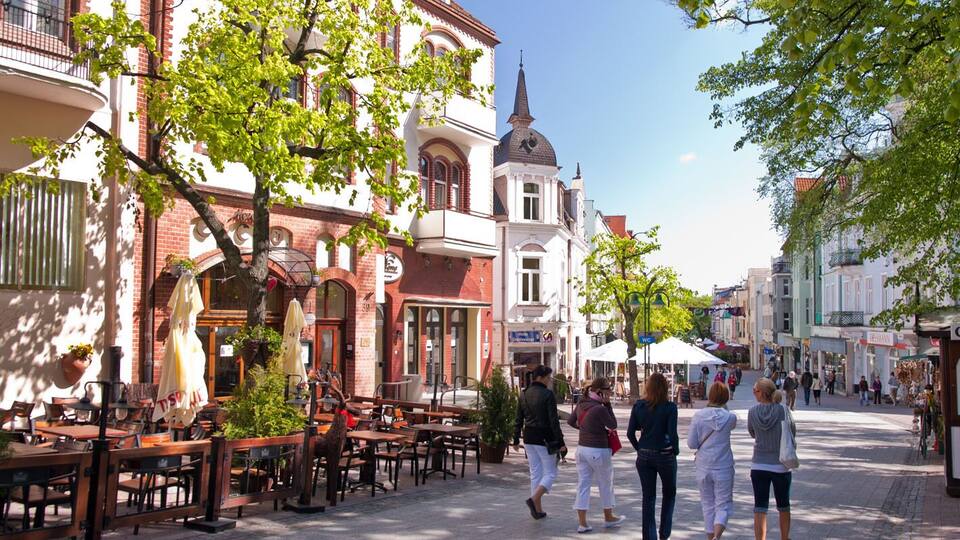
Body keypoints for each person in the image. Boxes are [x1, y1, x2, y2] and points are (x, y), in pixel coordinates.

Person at [568, 378, 624, 533]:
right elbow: (613, 424)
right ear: (600, 391)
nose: (610, 393)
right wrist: (608, 406)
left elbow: (571, 421)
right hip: (598, 450)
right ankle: (608, 517)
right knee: (606, 484)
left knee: (583, 485)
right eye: (608, 390)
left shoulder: (582, 403)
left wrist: (585, 429)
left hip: (581, 450)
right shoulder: (600, 408)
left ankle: (582, 523)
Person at [627, 373, 679, 540]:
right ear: (665, 388)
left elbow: (630, 433)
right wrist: (675, 450)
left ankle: (649, 536)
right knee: (669, 493)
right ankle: (664, 533)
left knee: (648, 497)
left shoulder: (639, 406)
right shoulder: (670, 407)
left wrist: (639, 448)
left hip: (644, 455)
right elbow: (672, 433)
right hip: (664, 454)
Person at [513, 365, 566, 520]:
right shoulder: (548, 394)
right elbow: (553, 421)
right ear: (541, 378)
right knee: (551, 473)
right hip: (545, 438)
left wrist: (516, 439)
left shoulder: (523, 394)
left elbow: (518, 419)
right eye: (549, 377)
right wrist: (561, 441)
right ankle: (534, 499)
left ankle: (537, 509)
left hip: (528, 437)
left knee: (535, 473)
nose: (550, 380)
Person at [688, 383, 737, 540]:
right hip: (723, 466)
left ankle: (710, 537)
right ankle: (717, 535)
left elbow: (691, 444)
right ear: (726, 397)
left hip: (703, 465)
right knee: (723, 504)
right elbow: (730, 422)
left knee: (707, 504)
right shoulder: (730, 418)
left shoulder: (698, 416)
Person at [749, 378, 795, 540]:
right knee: (783, 506)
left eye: (755, 390)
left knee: (760, 508)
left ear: (762, 393)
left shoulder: (752, 411)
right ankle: (784, 537)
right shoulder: (783, 410)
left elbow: (752, 432)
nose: (753, 393)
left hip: (758, 465)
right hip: (780, 465)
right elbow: (792, 431)